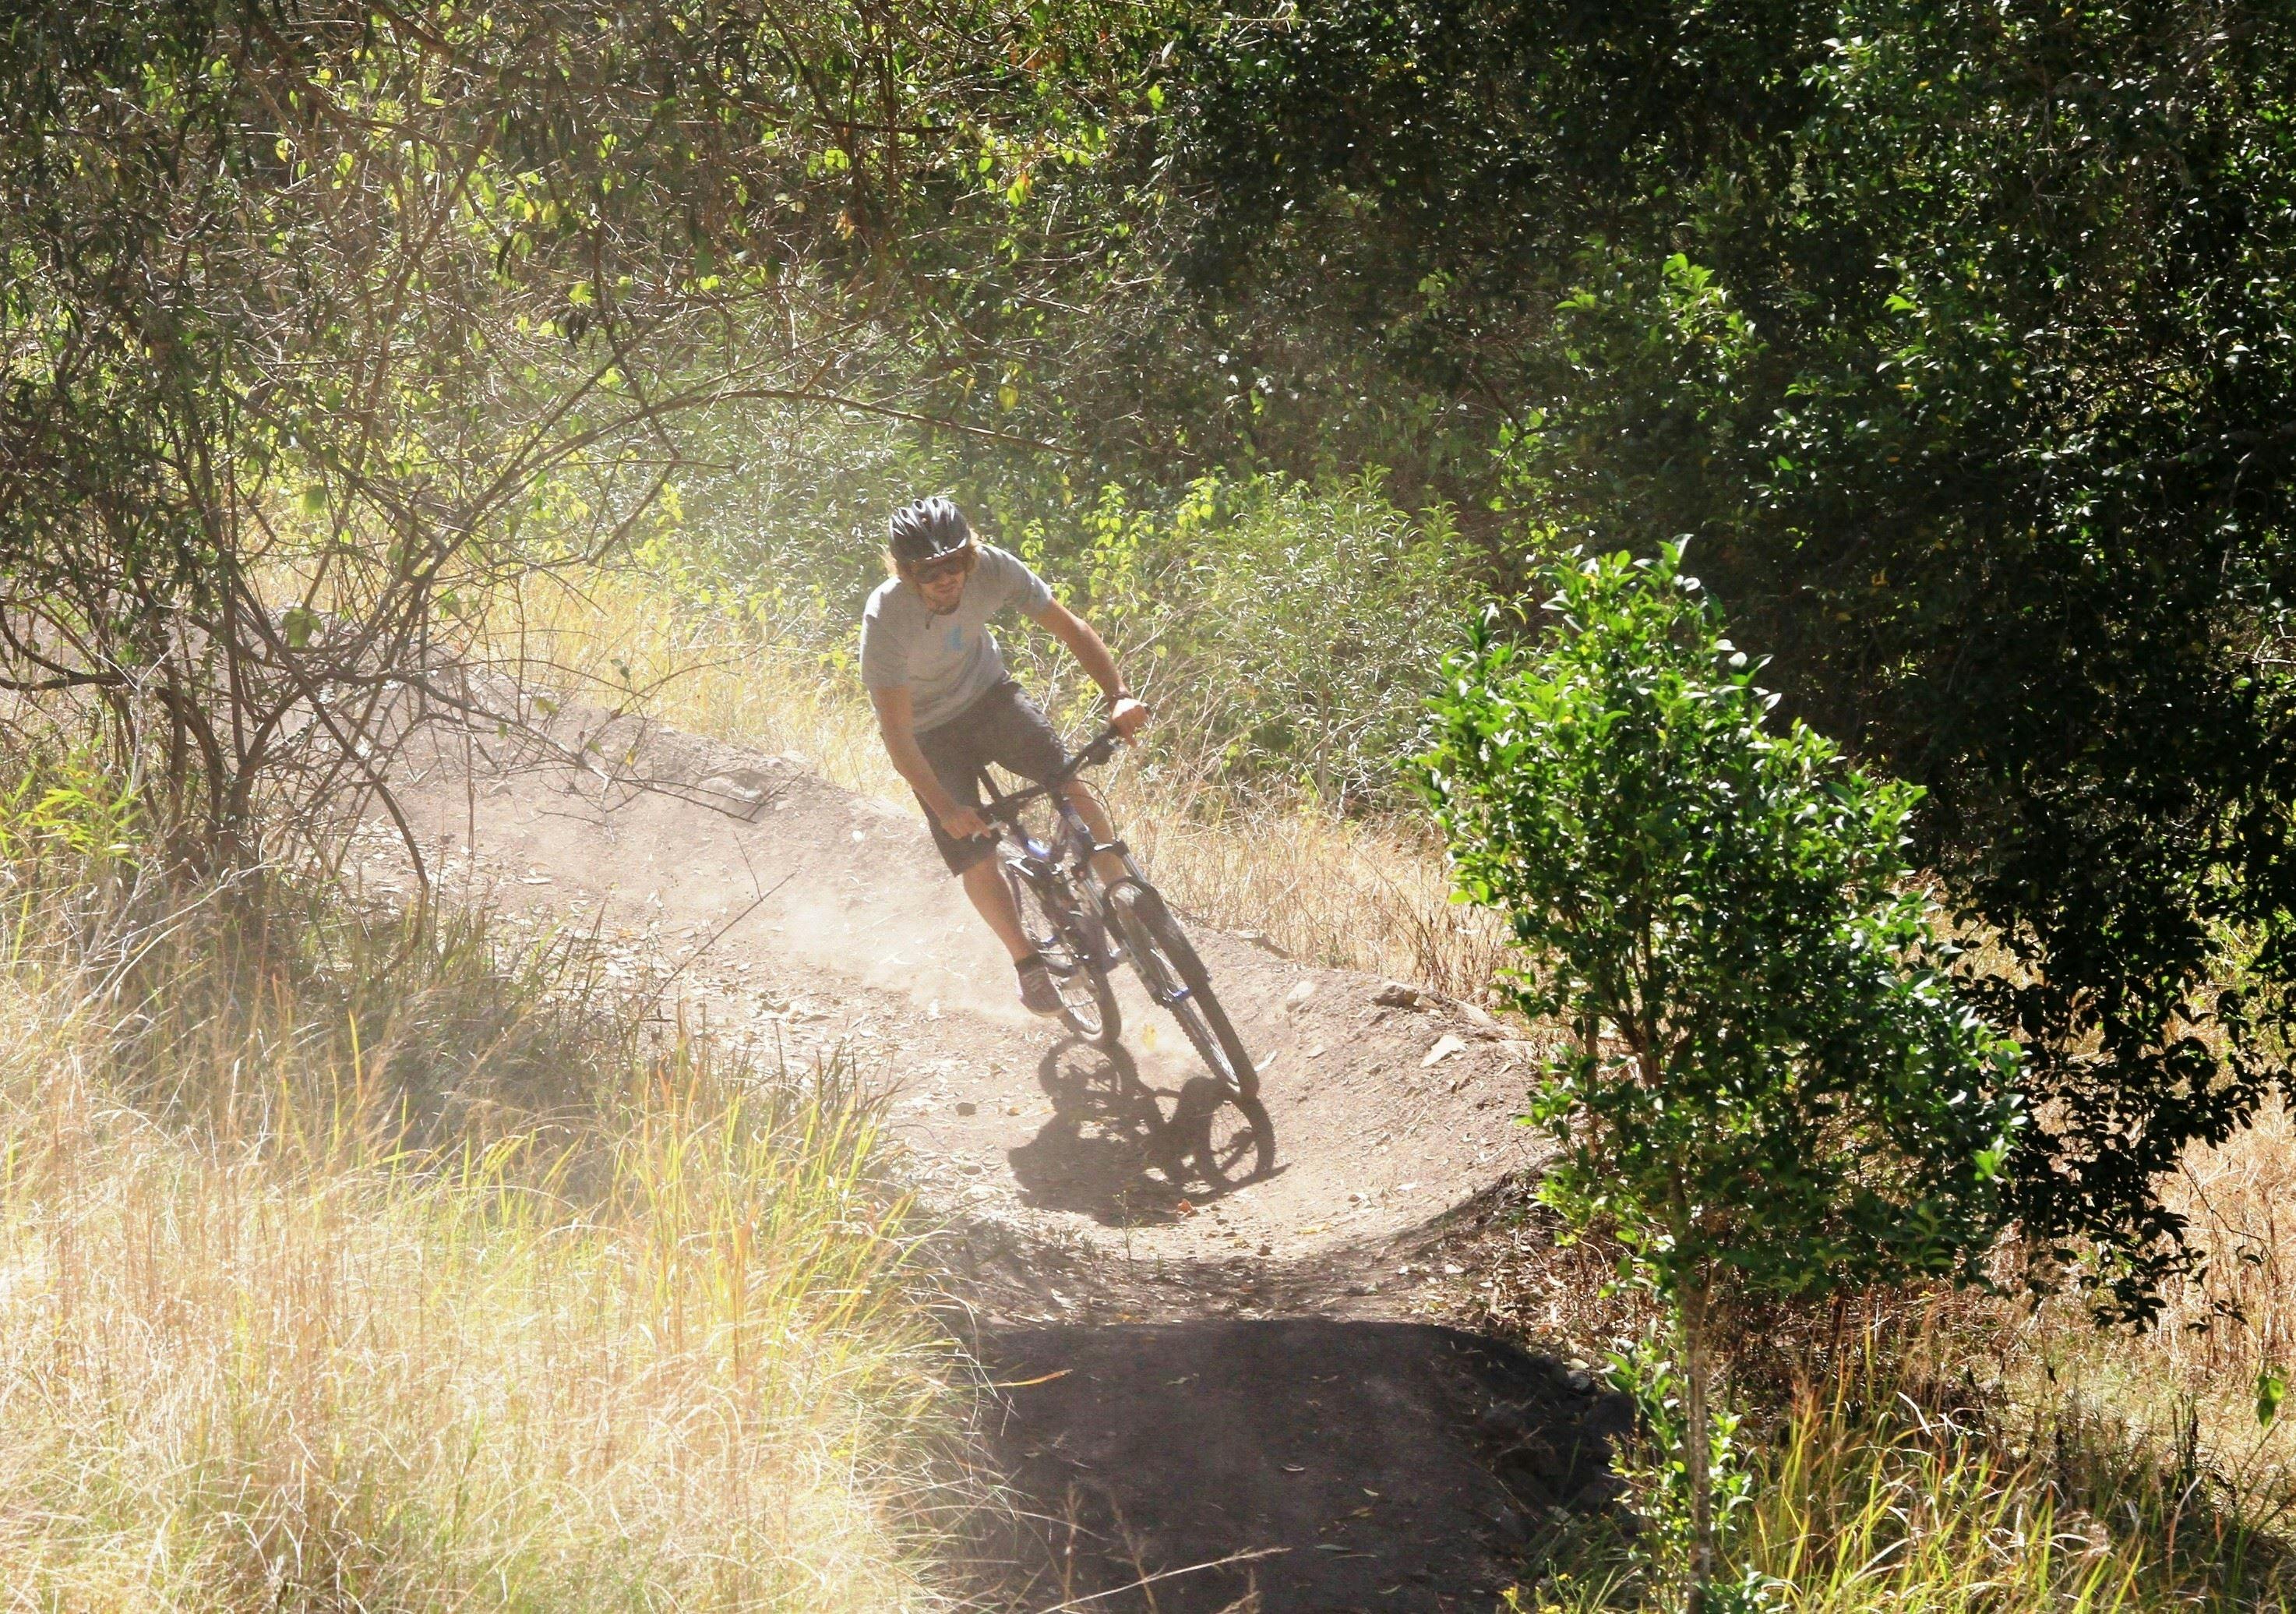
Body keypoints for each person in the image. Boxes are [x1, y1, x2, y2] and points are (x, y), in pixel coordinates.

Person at [860, 495, 1151, 1014]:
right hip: (926, 732)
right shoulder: (886, 618)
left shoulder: (993, 568)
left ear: (969, 555)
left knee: (1066, 778)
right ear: (906, 573)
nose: (945, 578)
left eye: (953, 563)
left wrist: (1118, 695)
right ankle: (1027, 962)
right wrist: (947, 809)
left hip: (988, 696)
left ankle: (1122, 892)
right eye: (929, 570)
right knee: (973, 848)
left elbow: (1070, 628)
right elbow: (896, 734)